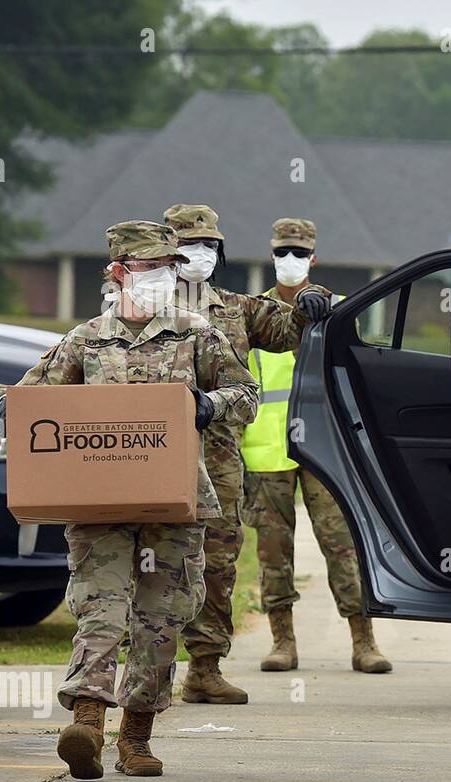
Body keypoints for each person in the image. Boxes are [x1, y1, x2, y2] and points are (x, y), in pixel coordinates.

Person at [4, 220, 258, 779]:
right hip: (100, 506)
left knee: (162, 618)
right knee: (101, 607)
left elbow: (246, 396)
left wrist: (207, 406)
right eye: (149, 268)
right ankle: (88, 725)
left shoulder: (198, 335)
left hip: (176, 500)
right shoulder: (86, 339)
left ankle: (136, 737)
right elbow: (28, 402)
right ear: (118, 272)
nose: (163, 277)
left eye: (169, 267)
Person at [162, 204, 331, 704]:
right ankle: (142, 673)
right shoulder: (139, 308)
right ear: (166, 254)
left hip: (217, 461)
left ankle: (205, 670)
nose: (201, 254)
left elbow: (287, 328)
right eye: (190, 245)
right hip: (151, 454)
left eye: (210, 245)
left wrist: (312, 302)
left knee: (218, 562)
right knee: (154, 562)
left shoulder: (234, 309)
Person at [241, 217, 391, 673]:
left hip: (325, 446)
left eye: (299, 253)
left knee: (342, 542)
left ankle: (363, 639)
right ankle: (282, 640)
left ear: (314, 258)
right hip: (267, 449)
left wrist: (318, 313)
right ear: (271, 257)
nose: (291, 261)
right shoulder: (251, 312)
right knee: (273, 550)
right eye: (283, 253)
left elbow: (359, 368)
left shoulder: (340, 308)